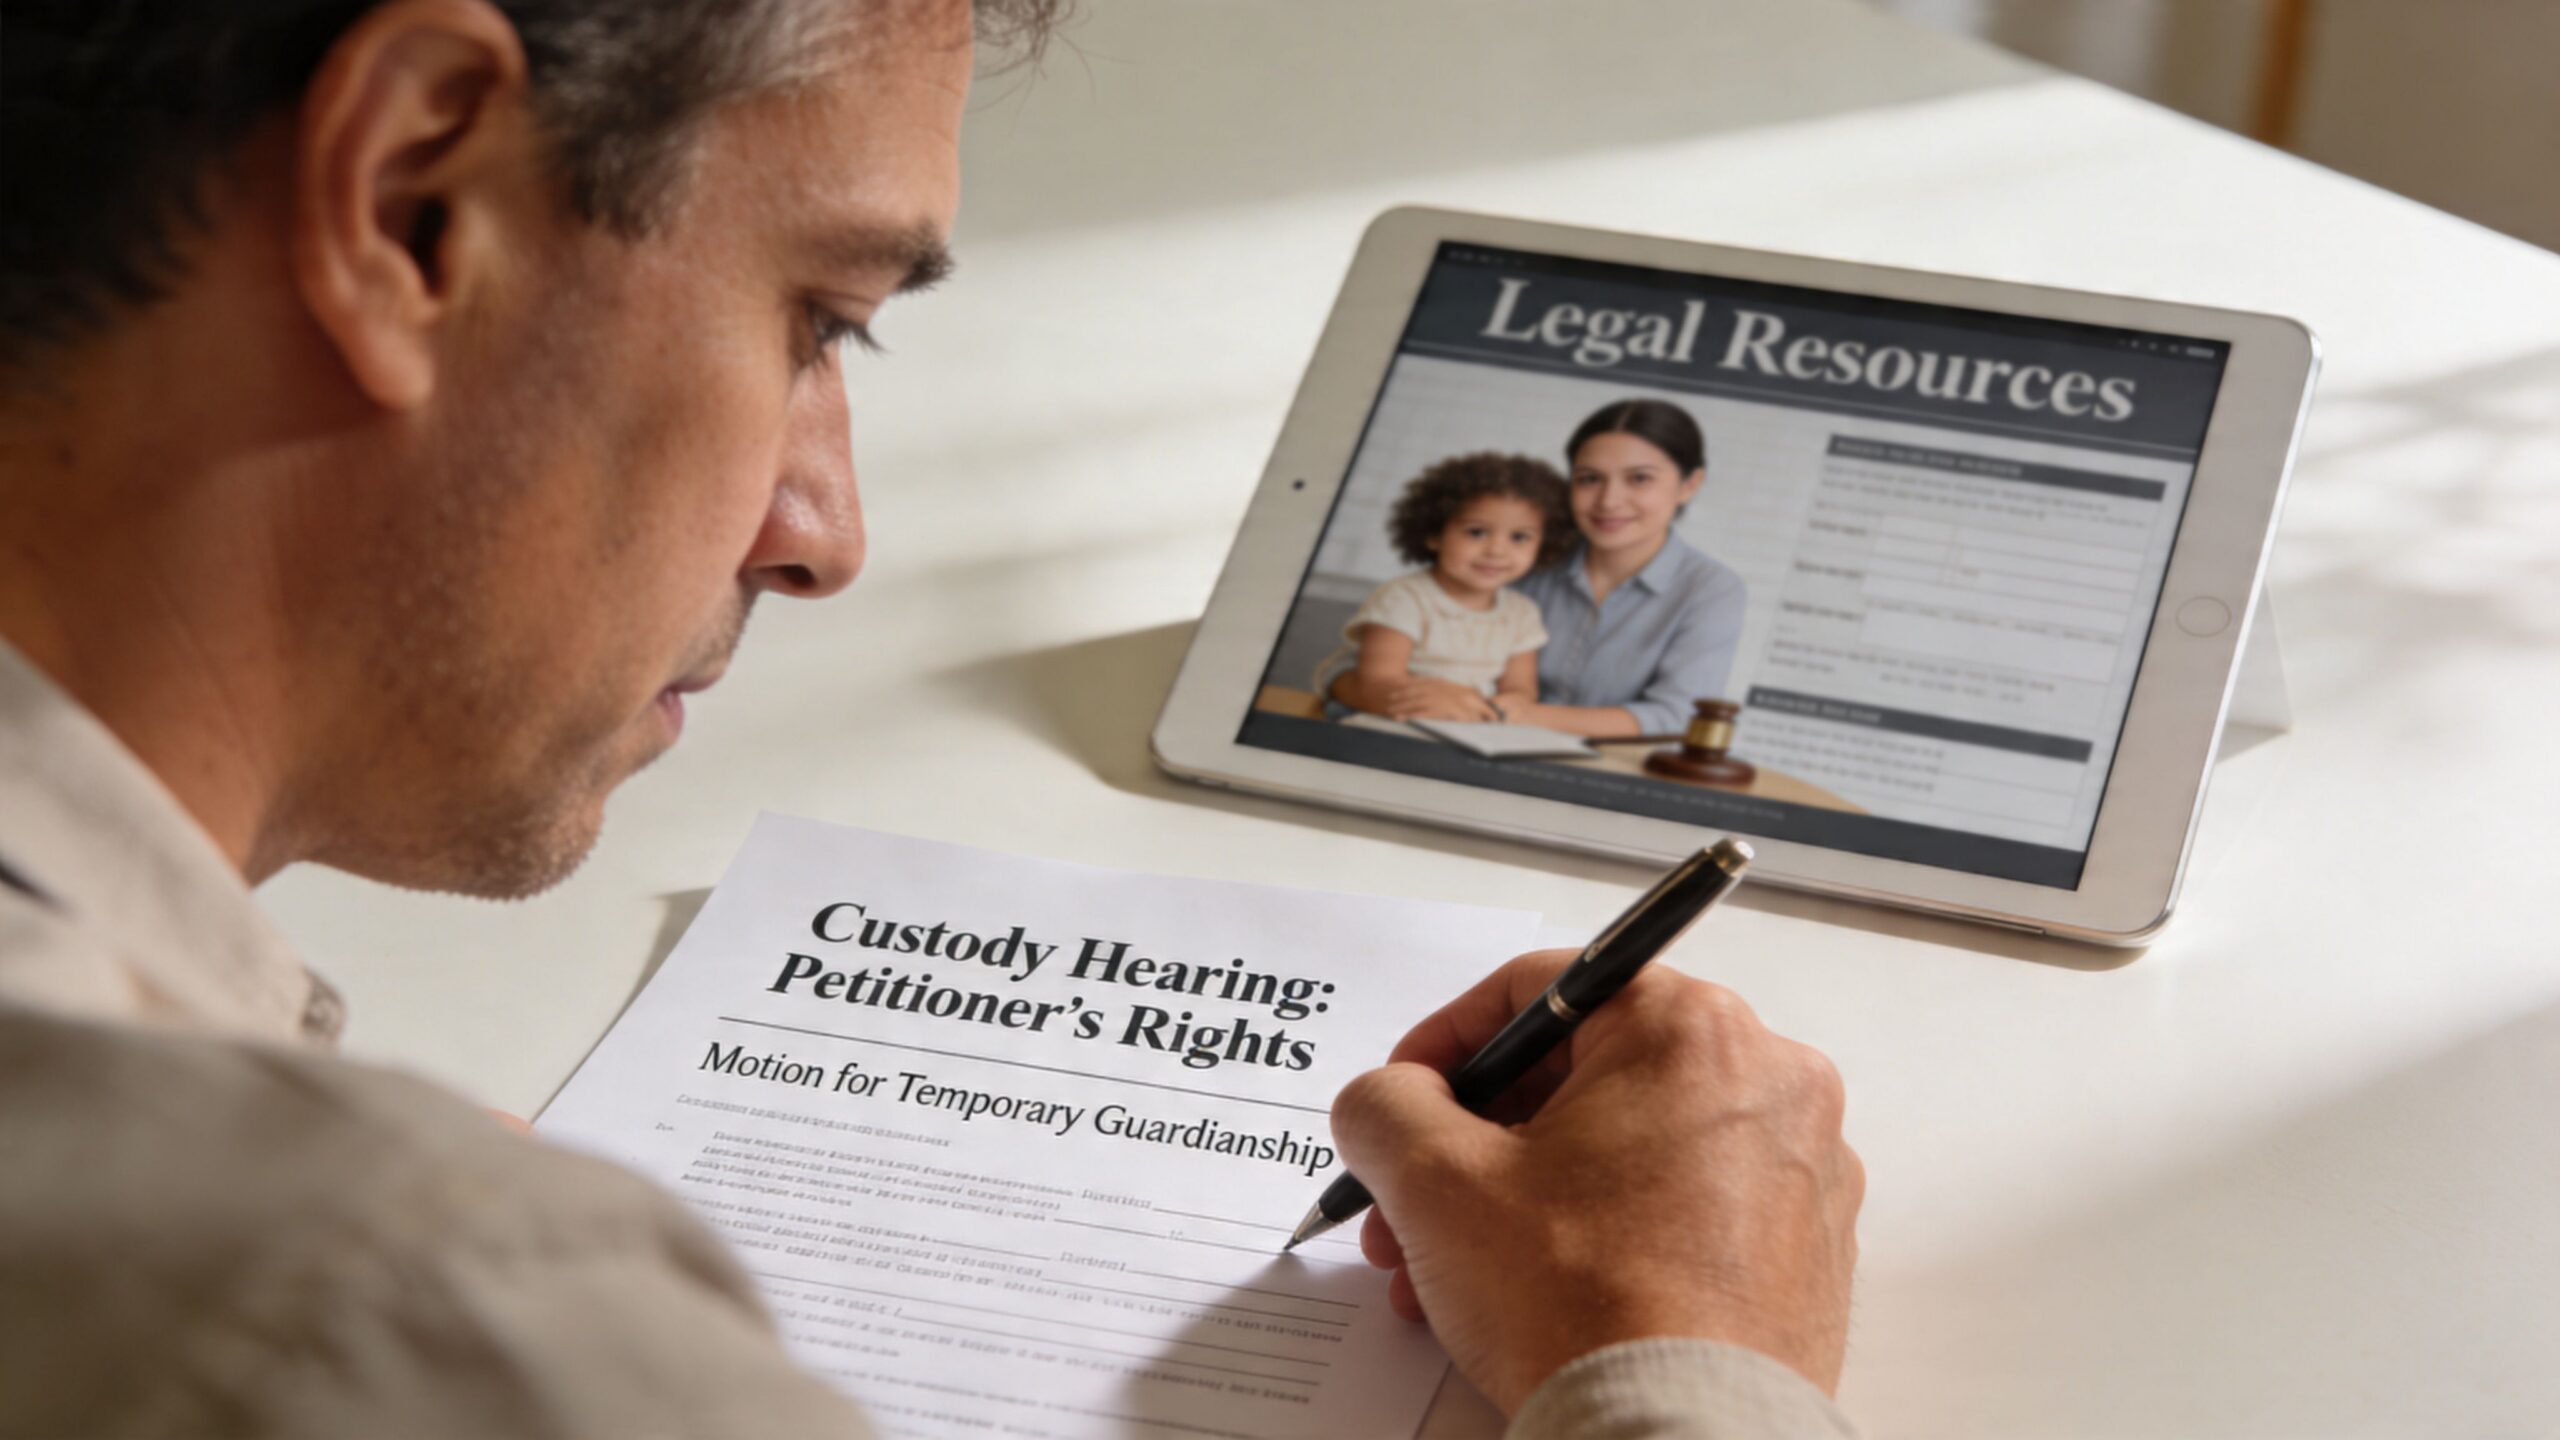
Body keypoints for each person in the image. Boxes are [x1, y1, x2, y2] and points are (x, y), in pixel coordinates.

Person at [0, 2, 1865, 1436]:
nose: (825, 535)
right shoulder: (379, 1304)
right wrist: (1686, 1365)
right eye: (821, 318)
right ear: (415, 196)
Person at [1505, 399, 1752, 738]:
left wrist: (1521, 715)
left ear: (1689, 485)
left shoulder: (1710, 588)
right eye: (1590, 479)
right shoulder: (1525, 558)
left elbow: (1676, 716)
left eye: (1639, 479)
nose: (1608, 501)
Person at [1323, 452, 1572, 725]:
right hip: (1391, 715)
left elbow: (1521, 688)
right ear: (1434, 534)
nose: (1497, 551)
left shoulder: (1522, 613)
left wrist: (1513, 703)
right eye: (1477, 532)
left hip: (1468, 725)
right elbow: (1377, 684)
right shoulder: (1404, 598)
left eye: (1519, 537)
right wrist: (1437, 703)